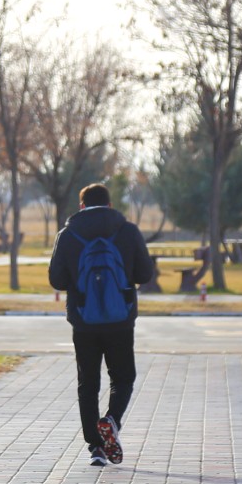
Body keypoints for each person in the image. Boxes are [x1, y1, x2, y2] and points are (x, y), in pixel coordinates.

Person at [47, 183, 156, 466]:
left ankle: (96, 448)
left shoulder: (68, 234)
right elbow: (144, 273)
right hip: (120, 319)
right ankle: (111, 421)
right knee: (123, 378)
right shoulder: (128, 231)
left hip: (84, 321)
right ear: (110, 205)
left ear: (81, 206)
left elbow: (57, 281)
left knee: (88, 383)